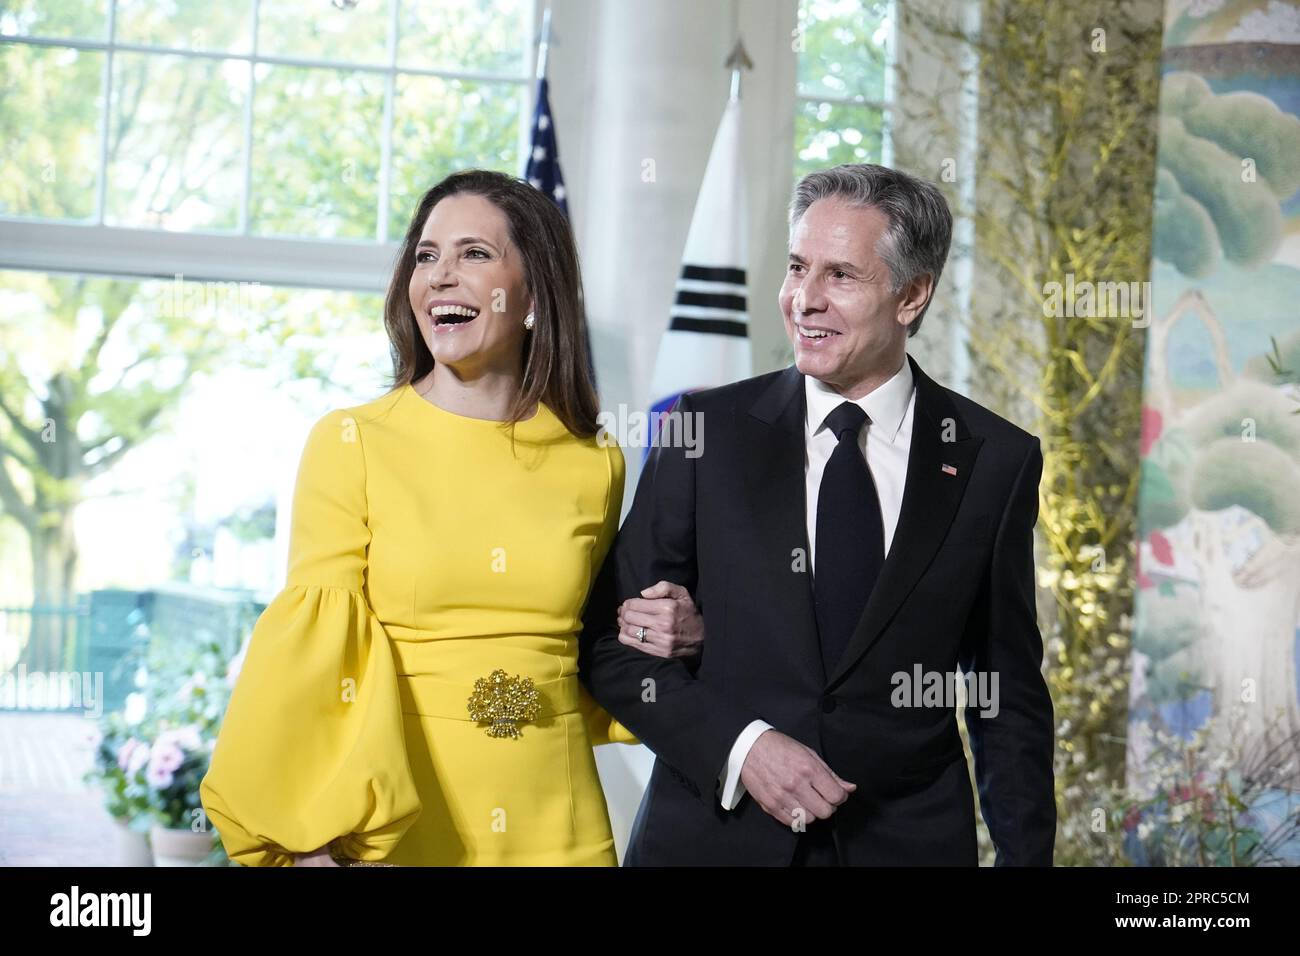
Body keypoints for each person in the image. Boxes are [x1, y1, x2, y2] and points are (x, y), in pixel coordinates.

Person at [200, 169, 692, 867]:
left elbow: (594, 649)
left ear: (533, 291)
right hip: (400, 828)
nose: (440, 277)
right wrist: (309, 841)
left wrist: (676, 637)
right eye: (426, 256)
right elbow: (316, 657)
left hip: (560, 825)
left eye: (474, 254)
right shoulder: (352, 442)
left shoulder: (595, 458)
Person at [583, 163, 1057, 866]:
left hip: (903, 845)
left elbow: (1005, 691)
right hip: (712, 843)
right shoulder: (703, 430)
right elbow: (611, 646)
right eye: (798, 267)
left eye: (840, 275)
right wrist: (742, 748)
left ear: (912, 295)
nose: (803, 299)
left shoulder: (995, 461)